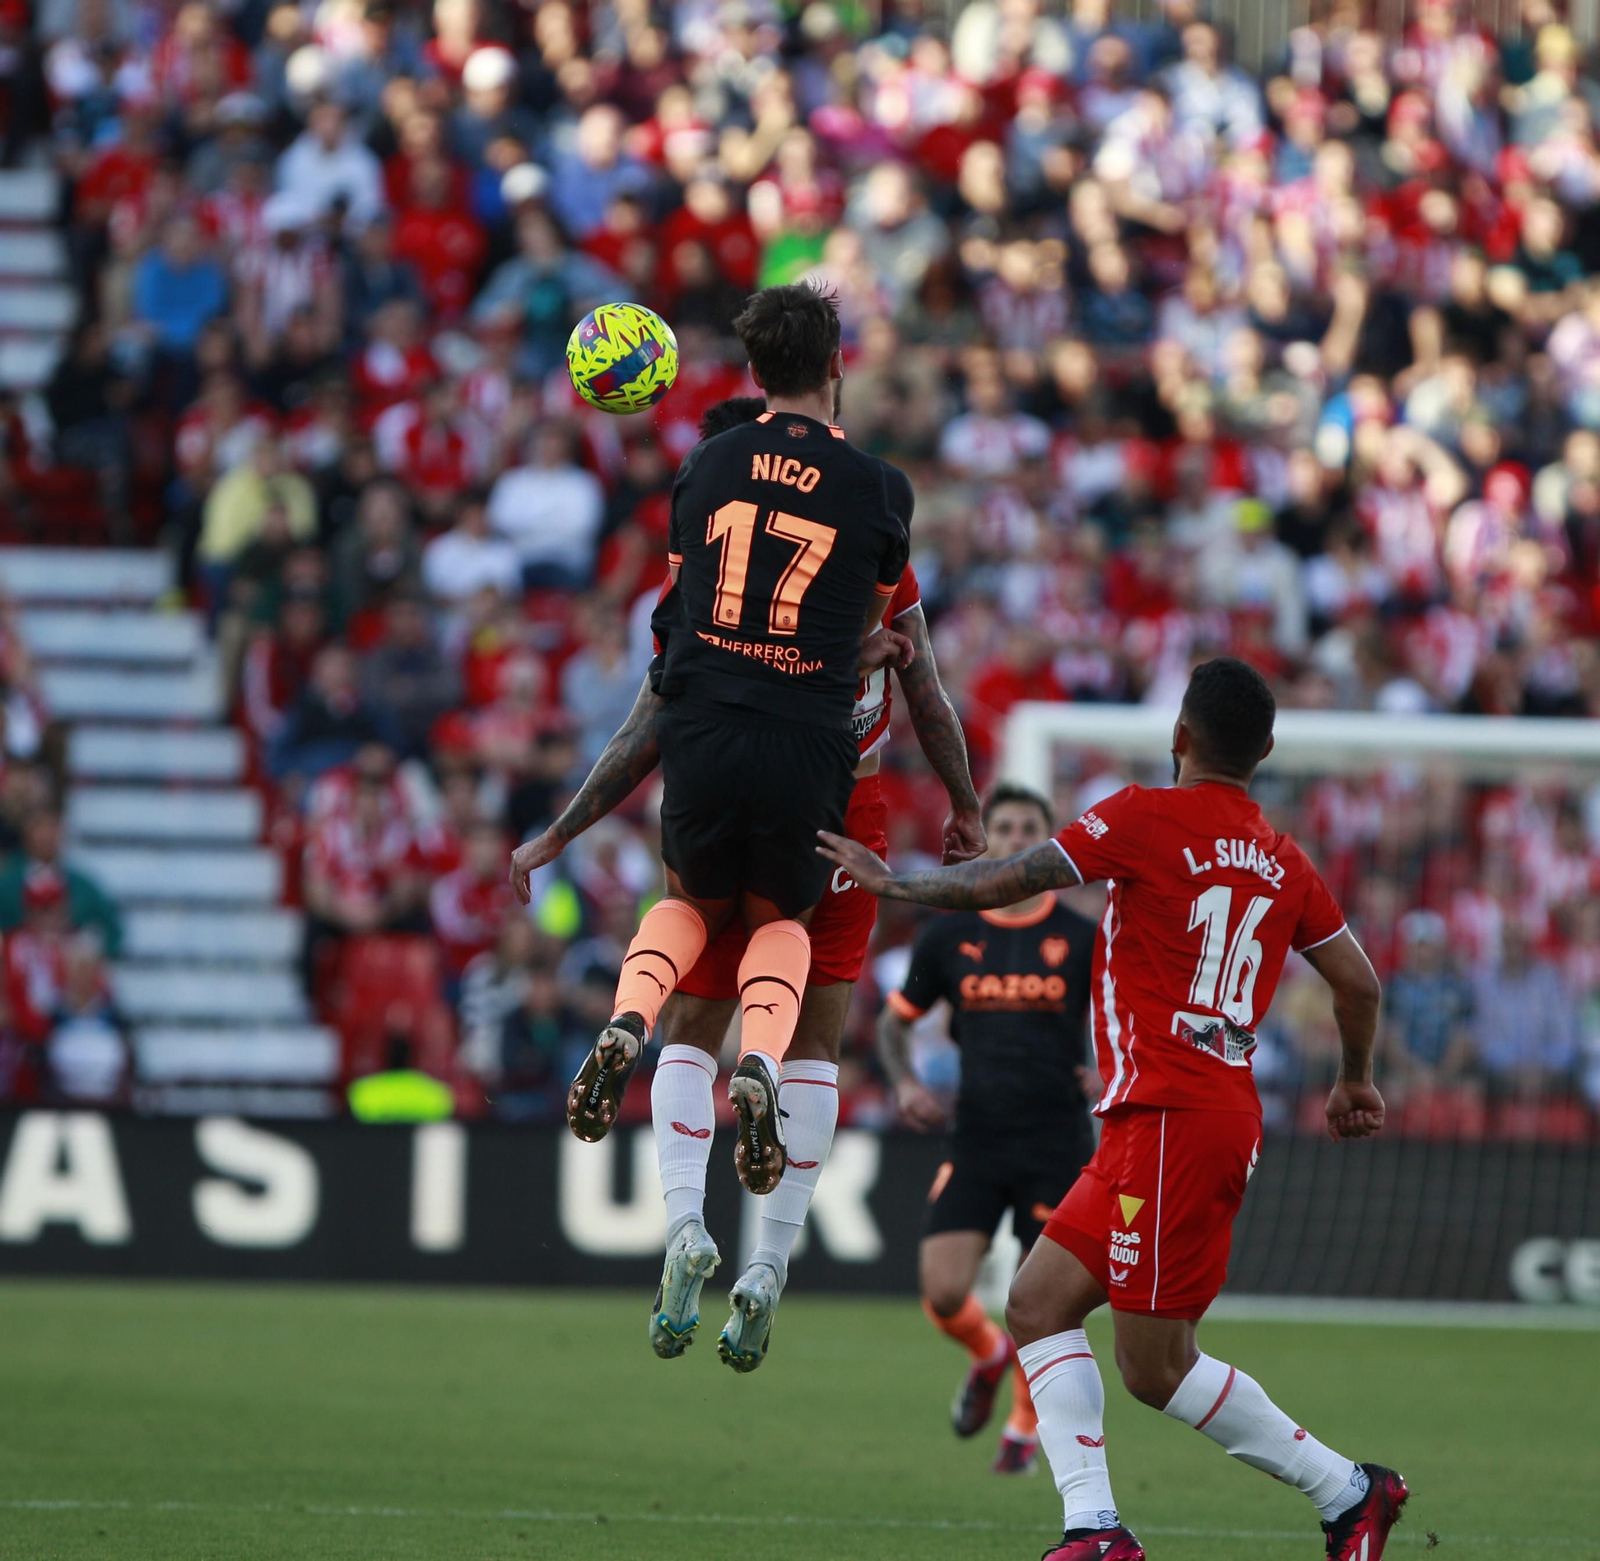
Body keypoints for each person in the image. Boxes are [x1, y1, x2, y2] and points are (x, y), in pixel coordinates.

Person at [818, 657, 1406, 1561]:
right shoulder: (1285, 859)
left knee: (1155, 1366)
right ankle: (1094, 1529)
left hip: (1176, 1117)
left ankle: (1349, 1491)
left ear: (1180, 736)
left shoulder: (1143, 815)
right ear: (1264, 753)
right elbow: (1359, 983)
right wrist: (1354, 1077)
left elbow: (1007, 881)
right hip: (1163, 1117)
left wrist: (894, 883)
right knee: (1036, 1302)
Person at [512, 392, 982, 1371]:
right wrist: (964, 803)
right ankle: (767, 1268)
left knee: (690, 1010)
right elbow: (926, 690)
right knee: (815, 1037)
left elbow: (653, 714)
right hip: (843, 803)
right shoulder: (865, 540)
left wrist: (561, 828)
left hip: (720, 773)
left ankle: (685, 1221)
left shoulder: (711, 566)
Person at [876, 783, 1096, 1475]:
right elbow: (892, 1023)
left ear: (1047, 840)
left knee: (1044, 1304)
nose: (1015, 838)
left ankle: (1024, 1427)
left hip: (1057, 1143)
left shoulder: (1083, 937)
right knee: (943, 1290)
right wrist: (906, 1082)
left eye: (1029, 827)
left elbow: (1129, 1018)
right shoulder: (950, 933)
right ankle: (988, 1352)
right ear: (986, 839)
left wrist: (1110, 1072)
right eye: (1004, 827)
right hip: (976, 1139)